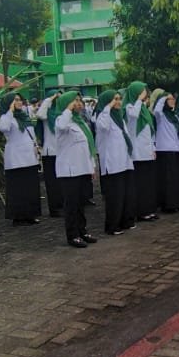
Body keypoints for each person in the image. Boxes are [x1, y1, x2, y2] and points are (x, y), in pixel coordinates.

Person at [53, 91, 99, 248]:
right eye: (75, 101)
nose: (79, 103)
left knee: (80, 204)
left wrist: (91, 166)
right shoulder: (62, 120)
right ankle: (72, 235)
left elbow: (88, 146)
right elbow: (61, 125)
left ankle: (82, 231)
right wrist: (68, 108)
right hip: (69, 170)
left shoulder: (81, 122)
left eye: (80, 101)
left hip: (82, 169)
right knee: (71, 205)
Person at [0, 93, 42, 226]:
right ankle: (18, 217)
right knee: (18, 189)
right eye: (15, 100)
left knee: (30, 188)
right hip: (16, 159)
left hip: (30, 157)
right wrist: (10, 110)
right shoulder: (6, 117)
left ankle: (30, 214)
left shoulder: (24, 117)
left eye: (20, 99)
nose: (19, 102)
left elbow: (31, 135)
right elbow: (3, 128)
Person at [93, 89, 133, 235]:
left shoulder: (119, 118)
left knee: (124, 195)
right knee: (114, 198)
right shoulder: (102, 117)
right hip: (112, 164)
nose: (118, 102)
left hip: (123, 162)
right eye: (114, 99)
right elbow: (104, 126)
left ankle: (124, 222)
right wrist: (107, 108)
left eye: (118, 99)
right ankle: (112, 226)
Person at [125, 81, 159, 222]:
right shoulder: (129, 107)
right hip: (137, 154)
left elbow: (149, 131)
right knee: (140, 185)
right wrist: (139, 100)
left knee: (148, 184)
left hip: (147, 151)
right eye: (141, 91)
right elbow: (133, 116)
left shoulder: (144, 109)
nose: (145, 94)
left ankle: (148, 209)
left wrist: (153, 148)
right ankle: (140, 211)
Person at [153, 90, 179, 213]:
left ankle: (176, 202)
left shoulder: (173, 116)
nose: (172, 101)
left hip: (175, 150)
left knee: (176, 178)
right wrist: (164, 97)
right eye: (170, 100)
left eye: (173, 99)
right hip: (164, 150)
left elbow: (177, 135)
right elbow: (156, 110)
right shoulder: (161, 116)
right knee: (167, 180)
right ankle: (168, 205)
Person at [37, 90, 63, 217]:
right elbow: (40, 114)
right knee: (52, 184)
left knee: (62, 182)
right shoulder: (47, 115)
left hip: (62, 152)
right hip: (50, 153)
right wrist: (50, 98)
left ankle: (62, 205)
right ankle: (54, 208)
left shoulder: (61, 114)